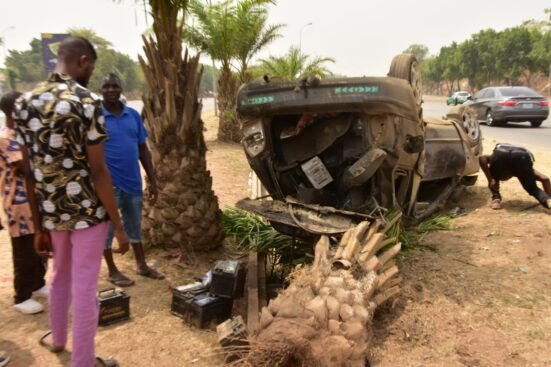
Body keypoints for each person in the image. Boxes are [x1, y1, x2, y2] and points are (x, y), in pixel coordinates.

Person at [15, 36, 129, 367]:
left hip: (51, 214)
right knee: (85, 288)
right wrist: (118, 226)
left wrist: (39, 226)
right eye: (90, 68)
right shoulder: (86, 101)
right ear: (81, 61)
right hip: (87, 217)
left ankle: (59, 340)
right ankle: (83, 361)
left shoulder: (25, 103)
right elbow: (97, 170)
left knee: (59, 276)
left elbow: (27, 172)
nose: (90, 75)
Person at [100, 73, 163, 286]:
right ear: (101, 90)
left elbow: (143, 150)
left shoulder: (133, 116)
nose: (111, 90)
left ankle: (141, 265)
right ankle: (112, 270)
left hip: (133, 183)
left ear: (121, 88)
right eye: (106, 86)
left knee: (134, 224)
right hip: (109, 187)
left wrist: (152, 180)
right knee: (107, 229)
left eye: (114, 86)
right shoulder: (95, 117)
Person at [0, 91, 48, 315]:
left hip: (34, 200)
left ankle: (37, 283)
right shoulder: (6, 137)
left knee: (38, 245)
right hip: (18, 201)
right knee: (23, 249)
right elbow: (24, 166)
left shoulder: (23, 134)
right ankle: (22, 295)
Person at [479, 143, 551, 210]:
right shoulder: (521, 169)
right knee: (532, 188)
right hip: (522, 157)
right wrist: (547, 197)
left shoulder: (499, 166)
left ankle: (496, 199)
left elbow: (482, 158)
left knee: (494, 175)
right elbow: (545, 179)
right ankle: (548, 201)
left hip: (501, 154)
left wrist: (490, 179)